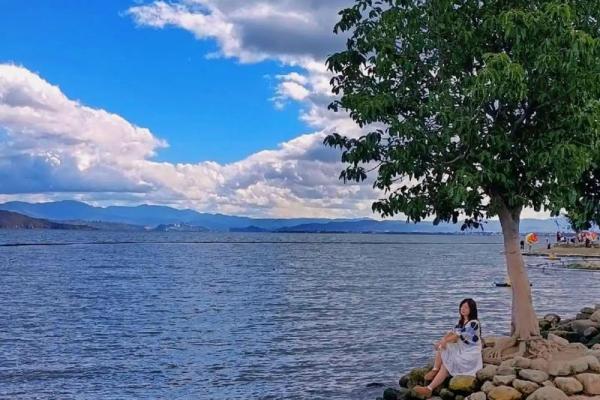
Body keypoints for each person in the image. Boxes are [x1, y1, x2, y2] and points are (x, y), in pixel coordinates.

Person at [414, 298, 483, 398]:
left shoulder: (473, 323)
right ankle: (435, 369)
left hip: (470, 353)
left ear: (472, 309)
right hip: (461, 349)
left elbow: (457, 335)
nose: (463, 309)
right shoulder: (461, 321)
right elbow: (451, 333)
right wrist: (441, 341)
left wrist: (444, 341)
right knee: (443, 347)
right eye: (462, 307)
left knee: (447, 364)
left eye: (466, 307)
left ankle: (429, 388)